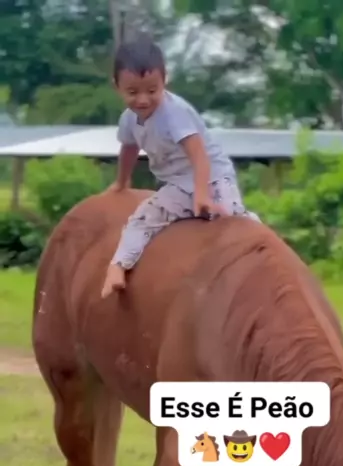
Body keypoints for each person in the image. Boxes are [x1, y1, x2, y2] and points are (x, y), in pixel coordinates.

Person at [101, 35, 260, 299]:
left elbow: (199, 155)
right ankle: (118, 266)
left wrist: (202, 194)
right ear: (117, 86)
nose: (143, 100)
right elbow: (129, 149)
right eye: (133, 92)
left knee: (231, 220)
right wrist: (122, 182)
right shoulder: (128, 120)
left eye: (152, 90)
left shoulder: (174, 114)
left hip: (212, 177)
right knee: (142, 219)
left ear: (165, 81)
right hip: (177, 185)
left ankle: (259, 236)